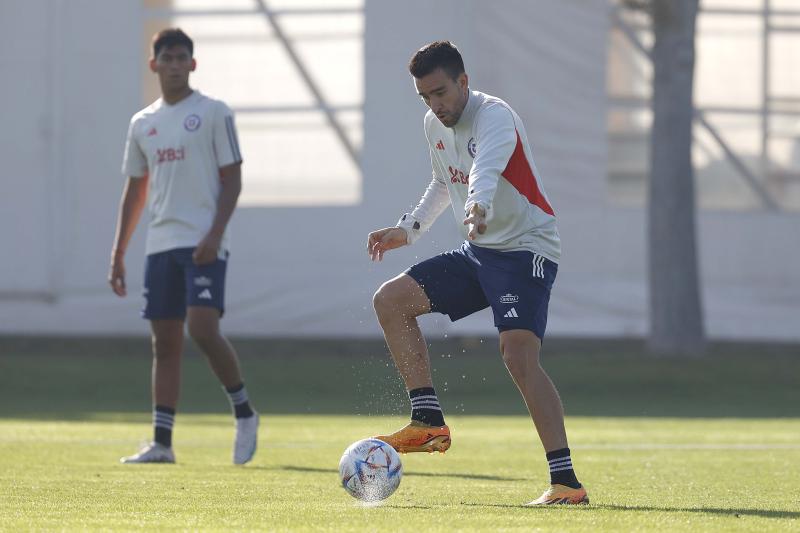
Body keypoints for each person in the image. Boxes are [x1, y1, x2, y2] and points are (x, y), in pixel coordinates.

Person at [367, 41, 588, 505]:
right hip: (479, 247)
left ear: (463, 81)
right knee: (391, 300)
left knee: (517, 357)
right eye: (425, 96)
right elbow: (443, 181)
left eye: (441, 92)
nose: (435, 104)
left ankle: (565, 482)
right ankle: (428, 421)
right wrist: (408, 230)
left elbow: (485, 172)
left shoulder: (496, 117)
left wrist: (479, 207)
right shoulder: (434, 123)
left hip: (526, 248)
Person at [109, 28, 258, 465]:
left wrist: (214, 234)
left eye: (181, 58)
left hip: (203, 243)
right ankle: (162, 443)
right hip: (160, 245)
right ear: (153, 64)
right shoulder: (143, 123)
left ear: (193, 65)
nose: (174, 65)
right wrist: (118, 252)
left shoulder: (213, 113)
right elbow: (135, 191)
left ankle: (245, 413)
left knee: (202, 328)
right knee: (165, 342)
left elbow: (233, 180)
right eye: (166, 58)